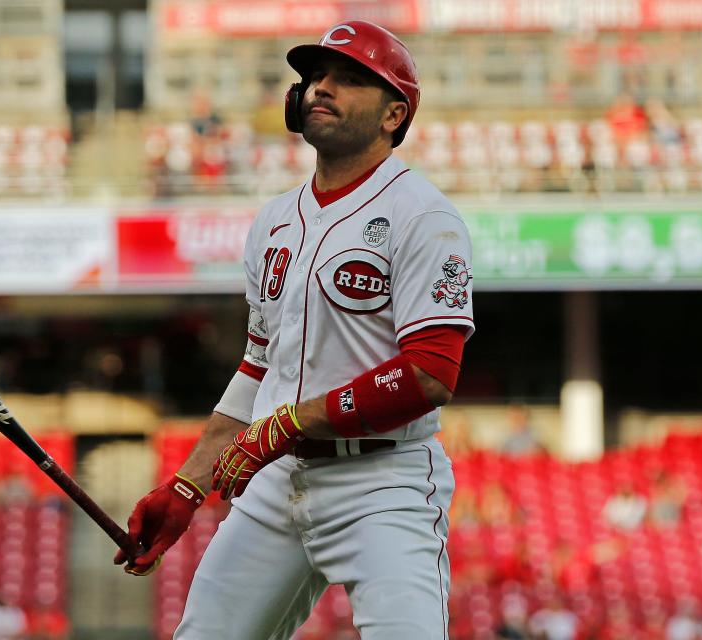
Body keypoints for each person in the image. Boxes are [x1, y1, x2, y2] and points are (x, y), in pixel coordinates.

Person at [113, 20, 475, 639]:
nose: (321, 89)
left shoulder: (425, 216)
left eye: (351, 79)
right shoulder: (274, 221)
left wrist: (288, 425)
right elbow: (258, 369)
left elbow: (429, 374)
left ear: (395, 114)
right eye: (315, 77)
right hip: (277, 482)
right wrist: (185, 487)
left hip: (382, 482)